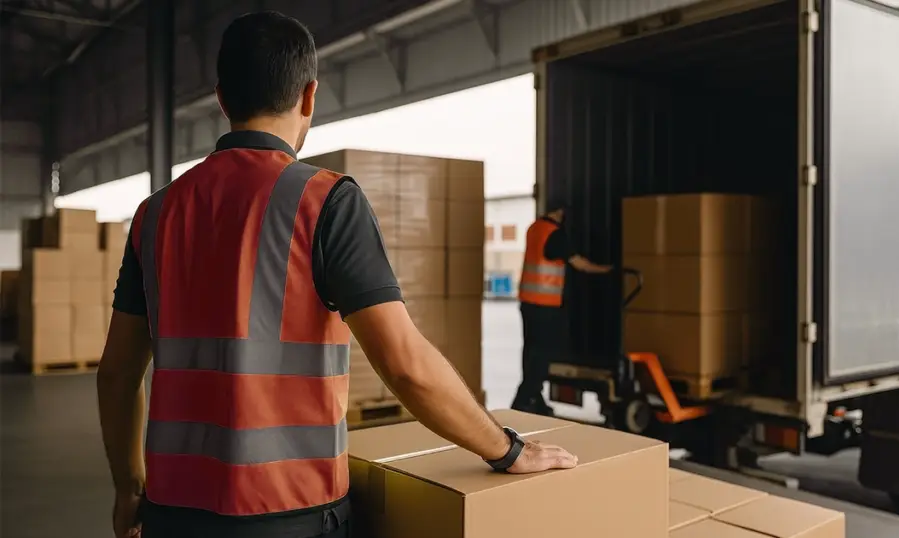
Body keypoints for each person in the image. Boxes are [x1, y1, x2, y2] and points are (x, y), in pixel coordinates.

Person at [95, 11, 577, 538]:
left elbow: (118, 374)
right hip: (291, 513)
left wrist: (128, 487)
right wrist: (507, 449)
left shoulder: (156, 213)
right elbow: (406, 365)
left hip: (172, 514)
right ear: (309, 96)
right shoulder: (323, 201)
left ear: (222, 98)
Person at [512, 204, 613, 415]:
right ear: (559, 213)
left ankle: (533, 399)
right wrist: (608, 270)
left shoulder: (534, 228)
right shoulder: (555, 234)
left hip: (528, 301)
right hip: (545, 304)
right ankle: (523, 399)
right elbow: (579, 264)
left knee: (531, 351)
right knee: (543, 353)